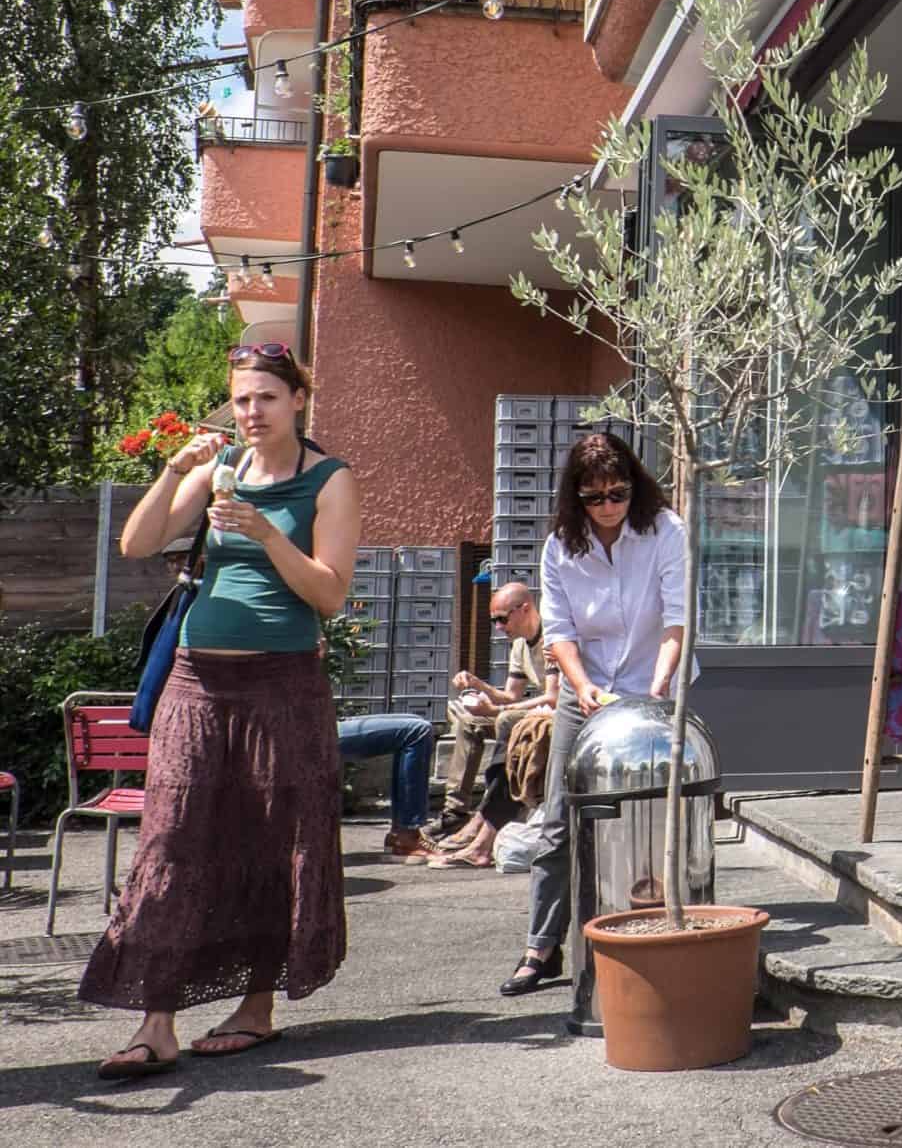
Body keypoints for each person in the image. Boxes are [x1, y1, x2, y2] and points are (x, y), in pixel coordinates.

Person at [83, 342, 361, 1080]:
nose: (251, 411)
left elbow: (330, 596)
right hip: (195, 683)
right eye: (241, 399)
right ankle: (157, 1022)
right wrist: (178, 468)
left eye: (266, 397)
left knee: (274, 843)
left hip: (284, 684)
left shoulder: (328, 481)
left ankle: (255, 1009)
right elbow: (138, 541)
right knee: (171, 843)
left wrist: (268, 534)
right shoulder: (218, 468)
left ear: (298, 400)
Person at [505, 432, 686, 997]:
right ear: (575, 498)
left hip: (652, 682)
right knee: (559, 818)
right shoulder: (562, 545)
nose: (608, 506)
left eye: (618, 493)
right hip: (586, 688)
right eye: (595, 497)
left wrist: (657, 689)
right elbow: (557, 631)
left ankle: (657, 923)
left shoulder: (666, 531)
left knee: (653, 815)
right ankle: (541, 946)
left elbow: (678, 618)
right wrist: (579, 688)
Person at [433, 583, 559, 868]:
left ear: (525, 609)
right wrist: (478, 686)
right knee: (469, 722)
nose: (499, 627)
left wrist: (499, 709)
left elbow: (553, 698)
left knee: (509, 721)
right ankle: (456, 811)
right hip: (532, 711)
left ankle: (483, 822)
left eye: (502, 618)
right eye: (494, 621)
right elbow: (511, 694)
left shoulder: (553, 636)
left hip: (556, 714)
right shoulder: (519, 645)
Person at [335, 713, 438, 861]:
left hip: (319, 722)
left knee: (417, 720)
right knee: (418, 731)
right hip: (309, 730)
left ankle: (400, 833)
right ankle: (406, 835)